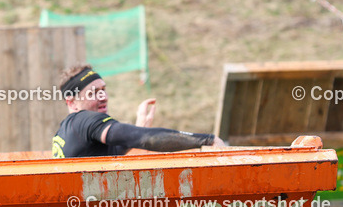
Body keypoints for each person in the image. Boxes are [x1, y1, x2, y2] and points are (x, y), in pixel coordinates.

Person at [52, 64, 225, 158]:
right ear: (73, 103)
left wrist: (138, 127)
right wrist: (208, 140)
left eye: (103, 89)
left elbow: (107, 154)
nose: (104, 96)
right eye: (93, 92)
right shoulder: (85, 120)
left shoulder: (66, 131)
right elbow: (145, 139)